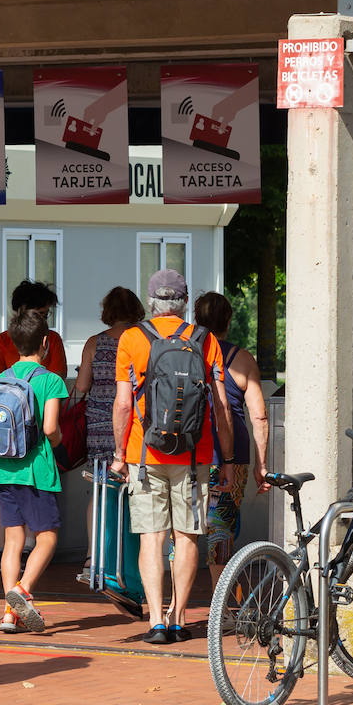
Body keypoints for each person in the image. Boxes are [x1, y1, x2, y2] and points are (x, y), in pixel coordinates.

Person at [111, 269, 232, 644]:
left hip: (144, 454)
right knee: (187, 537)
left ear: (151, 302)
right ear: (183, 304)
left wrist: (119, 455)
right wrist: (226, 459)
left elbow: (122, 403)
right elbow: (222, 405)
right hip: (195, 456)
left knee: (152, 538)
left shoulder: (132, 338)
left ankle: (155, 621)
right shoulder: (205, 339)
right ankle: (178, 616)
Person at [0, 309, 69, 634]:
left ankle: (9, 614)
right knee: (47, 538)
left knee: (13, 540)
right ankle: (21, 592)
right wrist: (60, 440)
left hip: (4, 469)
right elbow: (50, 428)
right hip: (36, 470)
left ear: (13, 342)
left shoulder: (0, 378)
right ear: (46, 343)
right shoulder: (50, 380)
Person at [192, 292, 270, 585]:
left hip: (188, 453)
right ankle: (220, 606)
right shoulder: (242, 359)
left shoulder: (185, 353)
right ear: (228, 319)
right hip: (232, 457)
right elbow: (259, 416)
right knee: (221, 529)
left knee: (183, 532)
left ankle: (176, 610)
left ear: (197, 319)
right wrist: (261, 466)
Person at [73, 286, 145, 578]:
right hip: (136, 422)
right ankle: (128, 557)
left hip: (100, 422)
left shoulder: (95, 343)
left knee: (100, 487)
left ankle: (93, 555)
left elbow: (81, 387)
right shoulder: (142, 340)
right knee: (135, 489)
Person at [0, 279, 68, 380]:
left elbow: (58, 379)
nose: (43, 320)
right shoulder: (2, 340)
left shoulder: (53, 339)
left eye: (46, 314)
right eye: (39, 314)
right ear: (21, 311)